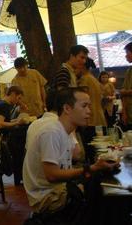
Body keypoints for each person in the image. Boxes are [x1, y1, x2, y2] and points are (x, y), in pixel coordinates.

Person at [22, 88, 119, 222]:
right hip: (47, 197)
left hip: (59, 189)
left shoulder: (64, 131)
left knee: (103, 183)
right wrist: (91, 168)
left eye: (89, 106)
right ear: (67, 108)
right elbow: (52, 175)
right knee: (105, 195)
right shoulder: (51, 132)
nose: (89, 111)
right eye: (84, 106)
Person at [0, 86, 28, 185]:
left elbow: (6, 121)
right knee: (17, 155)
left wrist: (16, 120)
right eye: (18, 98)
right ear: (13, 94)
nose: (19, 100)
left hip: (4, 137)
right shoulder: (4, 105)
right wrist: (17, 123)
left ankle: (19, 178)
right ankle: (18, 179)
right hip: (2, 138)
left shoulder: (4, 104)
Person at [121, 41, 132, 125]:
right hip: (130, 115)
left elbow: (123, 92)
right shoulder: (129, 71)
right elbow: (123, 93)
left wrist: (125, 92)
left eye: (127, 52)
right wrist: (124, 112)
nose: (126, 55)